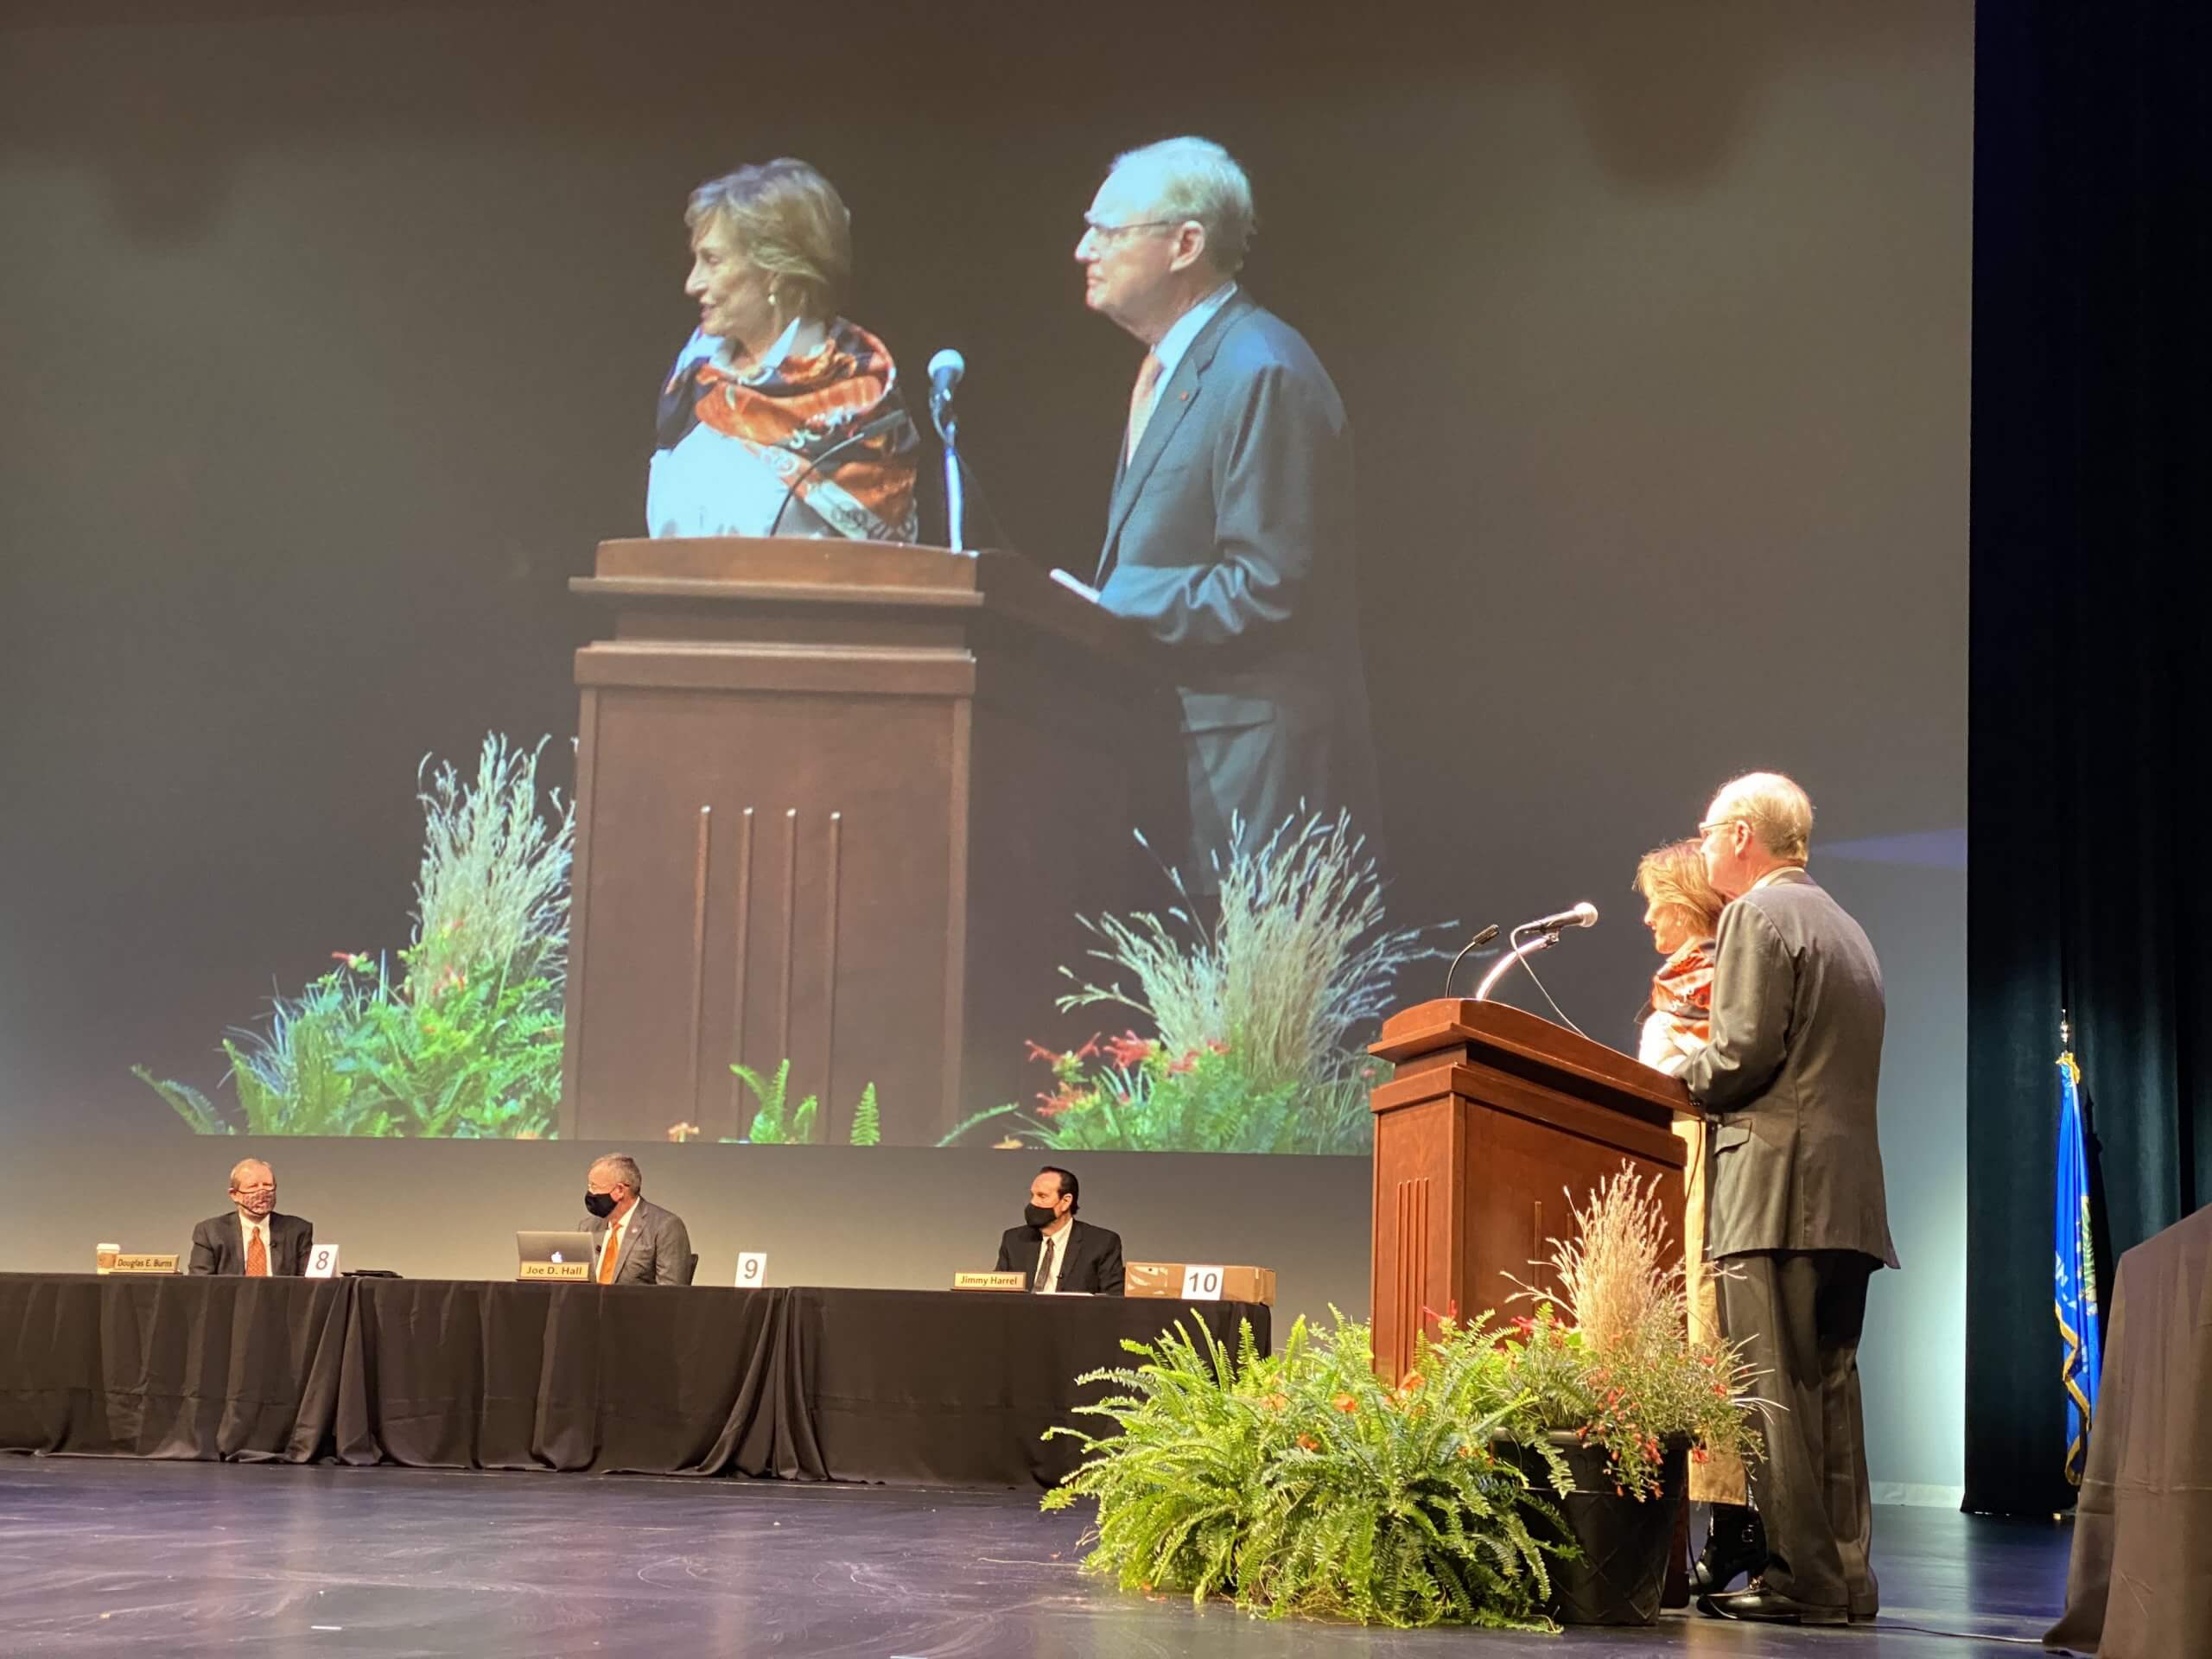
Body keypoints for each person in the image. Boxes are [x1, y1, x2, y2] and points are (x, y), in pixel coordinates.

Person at [1075, 137, 1380, 883]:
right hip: (1186, 762)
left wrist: (1109, 603)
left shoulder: (1260, 371)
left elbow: (1266, 584)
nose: (1085, 249)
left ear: (1185, 244)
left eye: (1108, 231)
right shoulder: (1183, 367)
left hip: (1254, 778)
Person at [1679, 772, 1899, 1627]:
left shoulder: (1754, 917)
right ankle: (1847, 1579)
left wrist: (1669, 1077)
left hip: (1773, 1194)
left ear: (1742, 836)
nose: (1700, 849)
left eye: (1706, 833)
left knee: (1772, 1390)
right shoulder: (1850, 932)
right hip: (1847, 1200)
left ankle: (1800, 1579)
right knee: (1829, 1391)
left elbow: (1739, 1057)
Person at [649, 158, 919, 543]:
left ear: (773, 270)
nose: (693, 284)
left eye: (712, 260)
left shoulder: (858, 394)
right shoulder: (693, 378)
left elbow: (890, 569)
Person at [1630, 838, 1758, 1592]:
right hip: (1669, 1170)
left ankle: (1733, 1521)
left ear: (1690, 903)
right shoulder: (1680, 984)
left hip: (1707, 1177)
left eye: (1658, 902)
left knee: (1709, 1334)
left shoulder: (1723, 982)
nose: (1649, 919)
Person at [995, 1166, 1124, 1294]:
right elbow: (997, 1293)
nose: (1033, 1202)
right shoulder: (1014, 1240)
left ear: (1066, 1201)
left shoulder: (1102, 1243)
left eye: (1042, 1196)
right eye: (1032, 1195)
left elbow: (1112, 1300)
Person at [578, 1154, 694, 1286]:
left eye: (594, 1186)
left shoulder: (665, 1227)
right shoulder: (588, 1227)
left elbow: (670, 1292)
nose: (590, 1192)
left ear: (620, 1190)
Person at [187, 1158, 314, 1275]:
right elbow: (200, 1285)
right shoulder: (210, 1232)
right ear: (234, 1194)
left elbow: (309, 1285)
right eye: (253, 1187)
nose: (262, 1192)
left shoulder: (297, 1230)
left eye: (267, 1185)